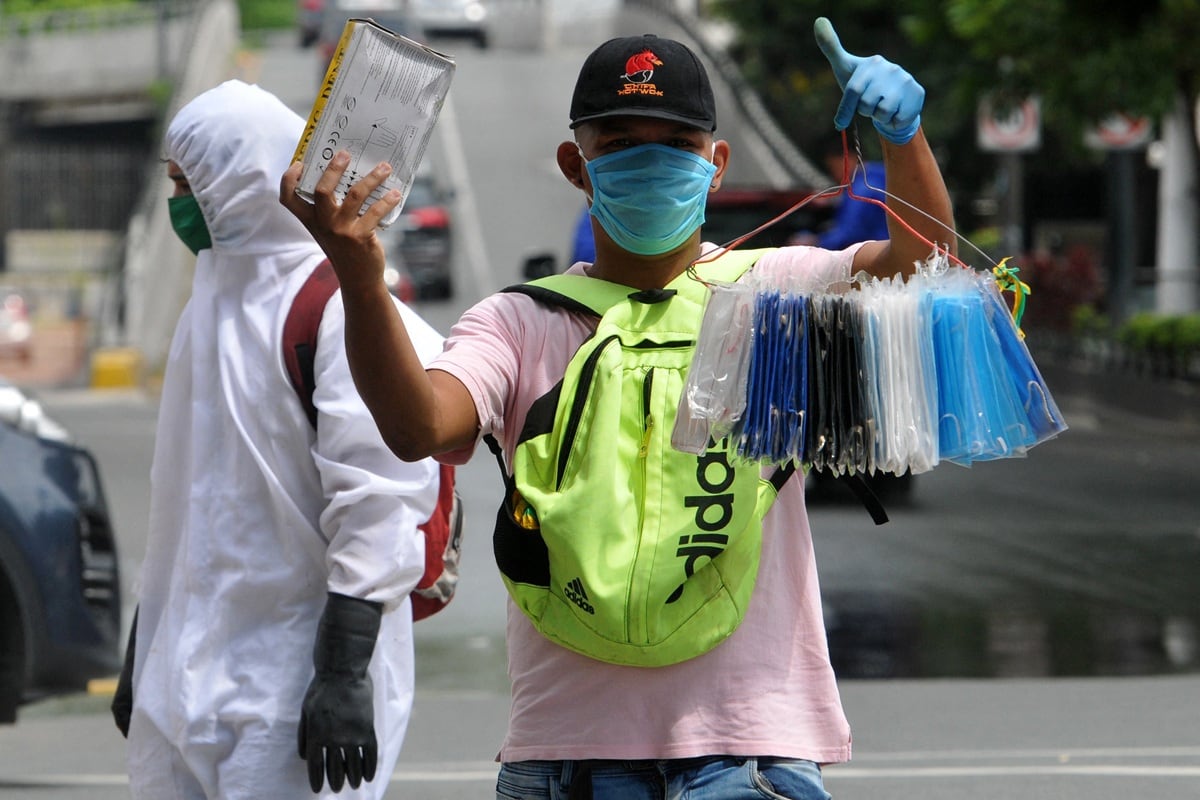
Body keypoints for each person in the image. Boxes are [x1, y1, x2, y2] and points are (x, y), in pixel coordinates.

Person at [281, 18, 954, 800]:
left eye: (675, 142)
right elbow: (417, 428)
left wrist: (904, 139)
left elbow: (922, 266)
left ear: (715, 162)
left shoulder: (776, 292)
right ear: (576, 164)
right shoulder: (517, 322)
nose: (651, 161)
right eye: (619, 143)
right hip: (566, 758)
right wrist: (361, 281)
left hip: (748, 751)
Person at [115, 79, 445, 799]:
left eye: (188, 182)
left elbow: (383, 499)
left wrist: (343, 670)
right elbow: (185, 500)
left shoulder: (335, 310)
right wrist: (148, 642)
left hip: (290, 691)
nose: (180, 202)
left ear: (243, 181)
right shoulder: (209, 302)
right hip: (184, 682)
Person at [796, 137, 891, 249]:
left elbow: (849, 233)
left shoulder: (861, 189)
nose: (835, 176)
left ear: (848, 158)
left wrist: (813, 242)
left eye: (834, 168)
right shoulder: (880, 172)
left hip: (881, 254)